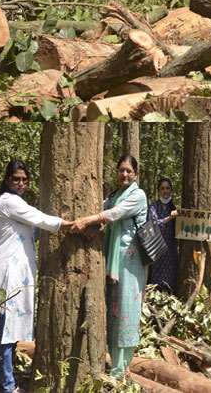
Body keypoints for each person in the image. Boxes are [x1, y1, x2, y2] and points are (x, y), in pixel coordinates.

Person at [0, 160, 76, 393]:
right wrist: (70, 224)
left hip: (17, 277)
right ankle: (7, 386)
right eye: (16, 179)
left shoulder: (17, 203)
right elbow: (39, 218)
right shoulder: (8, 201)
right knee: (5, 332)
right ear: (7, 180)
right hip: (7, 277)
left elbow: (31, 230)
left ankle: (6, 380)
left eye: (25, 179)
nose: (21, 183)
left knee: (10, 334)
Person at [74, 154, 148, 377]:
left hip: (131, 263)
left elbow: (115, 214)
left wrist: (88, 220)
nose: (124, 174)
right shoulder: (114, 195)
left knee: (127, 311)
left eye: (128, 171)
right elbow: (105, 211)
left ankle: (121, 368)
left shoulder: (138, 195)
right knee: (113, 312)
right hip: (113, 262)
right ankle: (114, 363)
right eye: (121, 170)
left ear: (135, 174)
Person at [147, 177, 179, 293]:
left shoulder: (175, 208)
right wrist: (170, 218)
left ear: (171, 190)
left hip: (171, 250)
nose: (165, 191)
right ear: (159, 191)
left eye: (167, 188)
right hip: (157, 249)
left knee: (170, 281)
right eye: (162, 188)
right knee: (156, 283)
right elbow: (153, 224)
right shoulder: (153, 207)